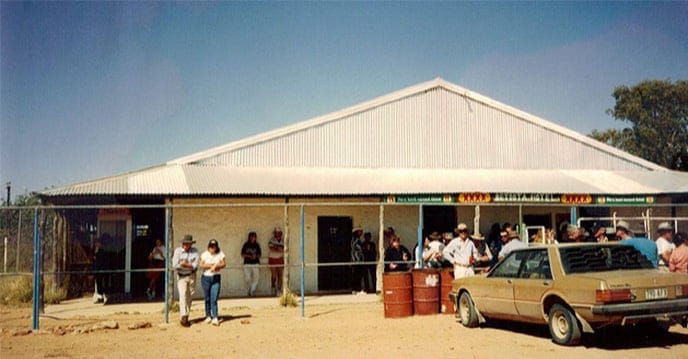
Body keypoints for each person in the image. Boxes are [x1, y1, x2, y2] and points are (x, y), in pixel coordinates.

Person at [172, 234, 200, 327]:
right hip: (181, 276)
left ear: (191, 244)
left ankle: (186, 314)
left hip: (191, 276)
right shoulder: (177, 251)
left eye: (188, 243)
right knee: (182, 294)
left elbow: (195, 265)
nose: (185, 245)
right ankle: (183, 315)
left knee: (190, 295)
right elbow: (175, 265)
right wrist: (188, 265)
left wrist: (184, 264)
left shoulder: (195, 251)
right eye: (184, 243)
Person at [200, 239, 226, 326]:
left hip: (216, 277)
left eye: (214, 247)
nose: (212, 249)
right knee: (207, 297)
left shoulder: (220, 253)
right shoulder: (204, 254)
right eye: (211, 247)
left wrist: (217, 266)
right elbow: (201, 264)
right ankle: (208, 315)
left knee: (214, 297)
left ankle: (215, 316)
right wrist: (211, 266)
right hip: (206, 277)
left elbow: (223, 263)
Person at [241, 231, 262, 296]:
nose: (253, 238)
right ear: (249, 237)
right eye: (252, 236)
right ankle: (249, 289)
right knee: (248, 278)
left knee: (256, 278)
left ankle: (252, 291)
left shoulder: (257, 245)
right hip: (247, 263)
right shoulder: (246, 244)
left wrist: (256, 256)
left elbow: (259, 254)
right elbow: (242, 254)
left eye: (255, 237)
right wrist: (249, 256)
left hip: (255, 263)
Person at [92, 236, 109, 304]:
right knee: (98, 284)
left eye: (97, 243)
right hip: (96, 270)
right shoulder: (94, 250)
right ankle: (100, 297)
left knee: (102, 284)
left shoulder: (102, 250)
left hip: (101, 269)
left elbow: (102, 260)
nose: (96, 244)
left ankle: (104, 297)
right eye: (95, 243)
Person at [268, 227, 285, 296]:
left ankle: (279, 290)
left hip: (280, 259)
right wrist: (278, 249)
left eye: (279, 233)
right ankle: (273, 287)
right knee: (274, 275)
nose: (277, 234)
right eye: (276, 233)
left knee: (280, 275)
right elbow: (271, 248)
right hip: (272, 258)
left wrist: (277, 248)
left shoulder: (283, 240)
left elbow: (284, 249)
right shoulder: (272, 240)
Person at [350, 226, 366, 294]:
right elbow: (358, 249)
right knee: (357, 275)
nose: (361, 233)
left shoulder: (357, 239)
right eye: (359, 231)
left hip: (359, 261)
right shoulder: (355, 240)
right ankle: (356, 289)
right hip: (356, 261)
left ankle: (357, 289)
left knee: (358, 275)